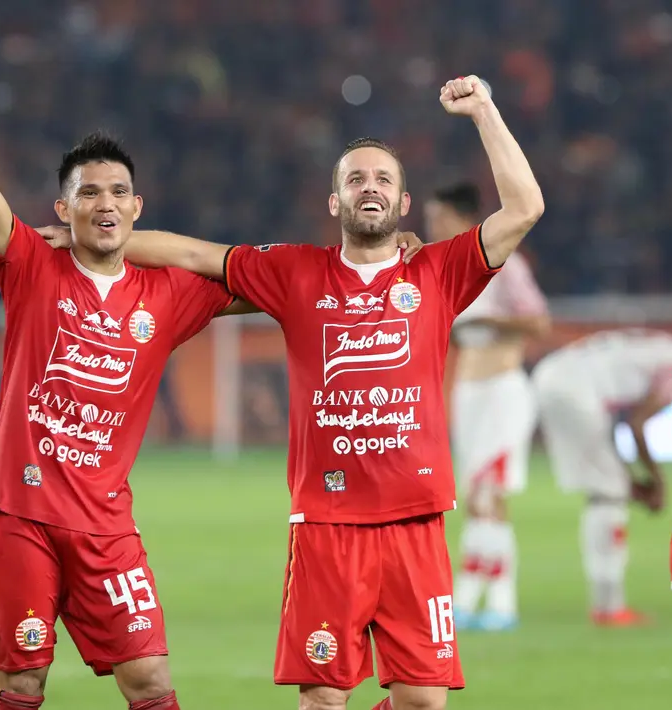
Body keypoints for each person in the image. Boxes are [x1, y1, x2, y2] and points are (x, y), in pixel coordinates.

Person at [81, 74, 542, 710]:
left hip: (414, 521)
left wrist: (486, 110)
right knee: (324, 699)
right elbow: (192, 254)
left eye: (383, 180)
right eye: (356, 179)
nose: (370, 188)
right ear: (335, 203)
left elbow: (523, 209)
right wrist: (95, 241)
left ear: (404, 204)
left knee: (425, 700)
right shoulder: (297, 271)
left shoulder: (437, 272)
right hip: (328, 525)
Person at [0, 13, 252, 710]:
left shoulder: (169, 295)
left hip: (108, 527)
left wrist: (365, 265)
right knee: (21, 682)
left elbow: (274, 286)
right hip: (22, 516)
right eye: (89, 192)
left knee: (149, 678)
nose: (105, 203)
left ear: (137, 207)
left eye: (118, 191)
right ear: (63, 206)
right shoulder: (31, 265)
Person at [423, 181, 549, 632]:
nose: (432, 227)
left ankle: (501, 599)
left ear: (461, 218)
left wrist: (490, 320)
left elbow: (539, 320)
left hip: (502, 388)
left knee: (490, 494)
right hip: (469, 389)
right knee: (473, 497)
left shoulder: (501, 261)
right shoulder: (448, 267)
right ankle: (471, 595)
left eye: (438, 218)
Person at [531, 328, 672, 626]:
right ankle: (609, 605)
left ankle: (607, 603)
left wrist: (632, 480)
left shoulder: (658, 346)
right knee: (609, 494)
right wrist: (659, 482)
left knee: (608, 487)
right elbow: (637, 425)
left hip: (549, 376)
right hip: (577, 390)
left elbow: (615, 426)